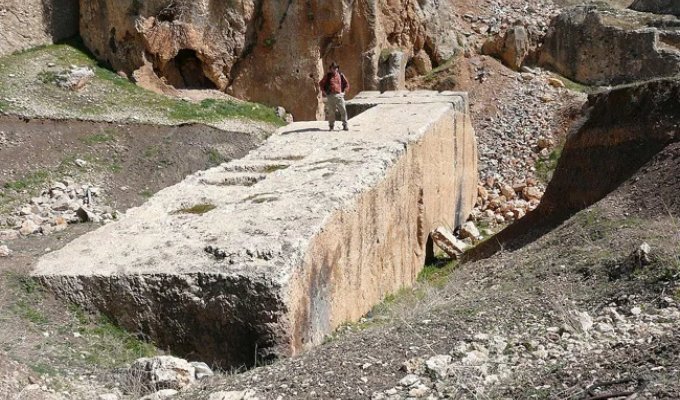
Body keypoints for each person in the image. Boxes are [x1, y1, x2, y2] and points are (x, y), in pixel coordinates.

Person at [319, 61, 350, 131]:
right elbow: (321, 83)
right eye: (332, 68)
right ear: (330, 69)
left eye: (335, 68)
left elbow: (347, 84)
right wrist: (324, 92)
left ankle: (345, 125)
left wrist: (344, 92)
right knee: (331, 112)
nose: (334, 69)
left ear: (337, 69)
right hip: (330, 96)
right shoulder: (328, 76)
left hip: (339, 95)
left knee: (343, 110)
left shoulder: (341, 75)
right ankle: (331, 126)